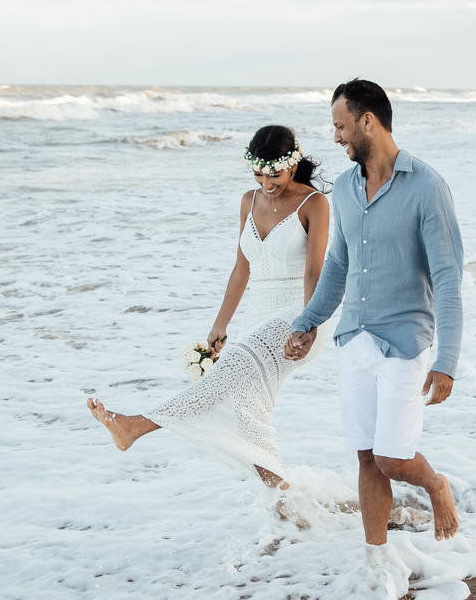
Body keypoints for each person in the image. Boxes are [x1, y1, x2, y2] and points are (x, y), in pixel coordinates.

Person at [87, 125, 330, 489]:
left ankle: (137, 424)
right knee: (248, 415)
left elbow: (315, 271)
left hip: (299, 314)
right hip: (257, 316)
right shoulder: (249, 201)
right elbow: (240, 269)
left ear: (293, 164)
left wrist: (307, 324)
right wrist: (220, 326)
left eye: (274, 173)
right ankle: (287, 501)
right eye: (258, 173)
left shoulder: (314, 204)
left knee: (228, 377)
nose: (266, 183)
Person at [284, 79, 464, 545]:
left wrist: (447, 360)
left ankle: (436, 485)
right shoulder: (343, 189)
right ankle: (376, 559)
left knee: (392, 459)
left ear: (368, 121)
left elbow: (446, 277)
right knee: (366, 457)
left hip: (404, 343)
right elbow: (338, 266)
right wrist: (307, 322)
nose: (337, 136)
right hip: (353, 341)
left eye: (341, 126)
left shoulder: (427, 186)